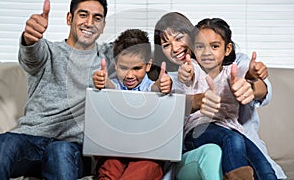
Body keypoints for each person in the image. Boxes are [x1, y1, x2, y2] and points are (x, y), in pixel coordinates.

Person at [0, 0, 113, 179]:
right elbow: (32, 54)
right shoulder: (48, 51)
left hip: (70, 147)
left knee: (59, 152)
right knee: (1, 144)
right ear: (69, 18)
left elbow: (139, 54)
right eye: (83, 15)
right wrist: (29, 37)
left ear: (103, 25)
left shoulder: (108, 56)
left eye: (97, 18)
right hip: (30, 140)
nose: (89, 23)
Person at [152, 12, 286, 179]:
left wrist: (252, 80)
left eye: (179, 38)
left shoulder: (233, 66)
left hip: (236, 132)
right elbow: (178, 83)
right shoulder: (186, 69)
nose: (175, 48)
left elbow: (254, 82)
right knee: (230, 140)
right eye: (166, 45)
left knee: (261, 164)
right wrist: (162, 86)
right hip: (200, 134)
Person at [93, 28, 171, 180]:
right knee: (110, 166)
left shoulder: (151, 88)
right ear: (115, 65)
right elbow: (110, 86)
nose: (129, 75)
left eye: (136, 68)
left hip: (148, 157)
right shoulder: (114, 86)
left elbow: (154, 88)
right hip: (113, 153)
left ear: (148, 66)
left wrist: (162, 86)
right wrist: (102, 82)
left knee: (145, 168)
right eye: (123, 68)